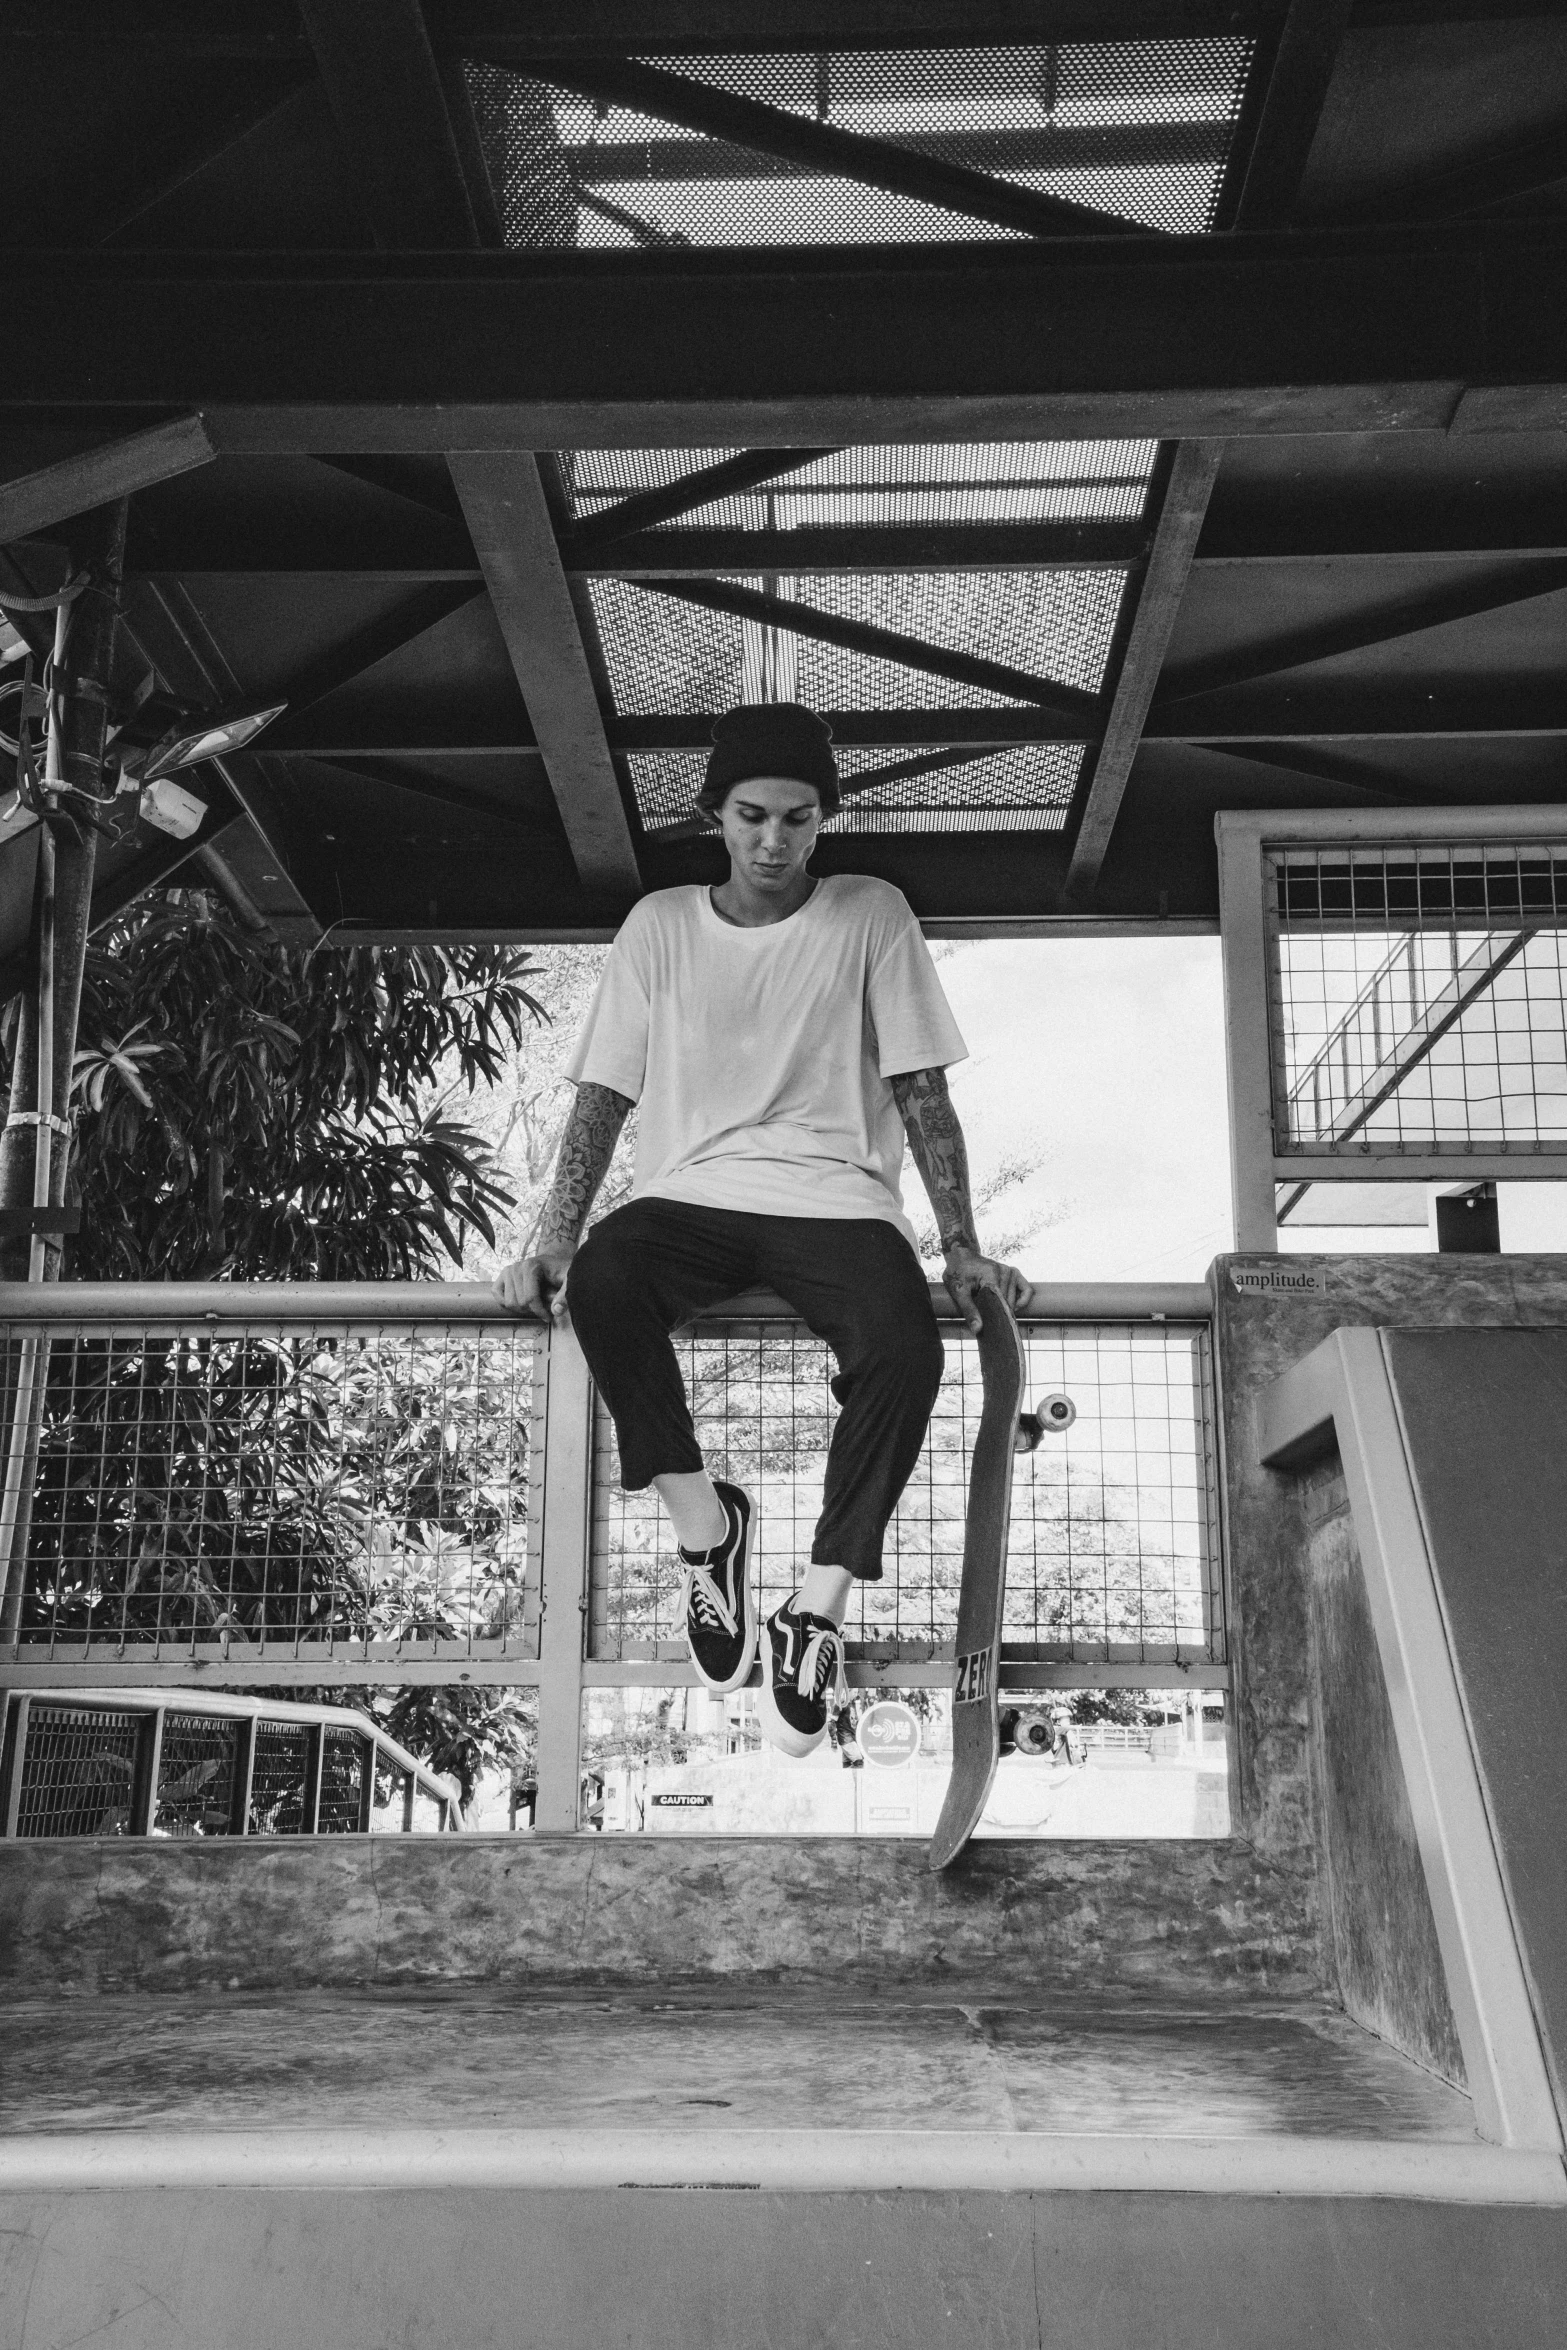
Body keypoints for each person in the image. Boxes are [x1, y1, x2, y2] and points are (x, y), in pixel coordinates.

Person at [494, 703, 1030, 1758]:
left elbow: (919, 1089)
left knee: (904, 1346)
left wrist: (960, 1243)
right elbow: (603, 1091)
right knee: (604, 1280)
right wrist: (555, 1233)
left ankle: (815, 1608)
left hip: (837, 1197)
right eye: (752, 817)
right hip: (690, 1190)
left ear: (824, 819)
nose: (774, 841)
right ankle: (709, 1530)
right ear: (715, 817)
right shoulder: (659, 926)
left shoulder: (871, 913)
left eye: (796, 818)